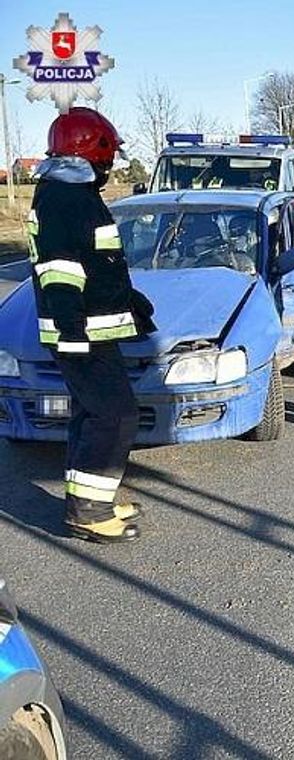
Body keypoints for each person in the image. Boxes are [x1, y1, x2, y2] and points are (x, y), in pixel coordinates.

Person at [27, 107, 156, 543]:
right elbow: (60, 268)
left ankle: (89, 499)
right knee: (114, 415)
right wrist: (71, 325)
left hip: (92, 328)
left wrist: (128, 300)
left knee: (93, 412)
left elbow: (94, 263)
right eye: (109, 154)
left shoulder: (70, 193)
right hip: (80, 332)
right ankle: (88, 512)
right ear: (93, 151)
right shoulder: (66, 197)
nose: (112, 164)